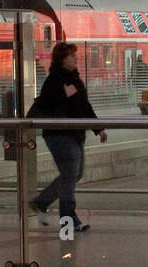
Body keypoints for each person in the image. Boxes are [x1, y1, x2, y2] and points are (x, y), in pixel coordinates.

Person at [30, 42, 107, 233]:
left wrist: (98, 129)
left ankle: (41, 202)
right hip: (59, 134)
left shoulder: (74, 79)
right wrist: (65, 96)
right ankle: (68, 219)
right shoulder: (54, 80)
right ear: (62, 59)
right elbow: (50, 104)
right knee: (69, 175)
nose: (76, 58)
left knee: (75, 173)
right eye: (72, 55)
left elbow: (84, 106)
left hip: (74, 133)